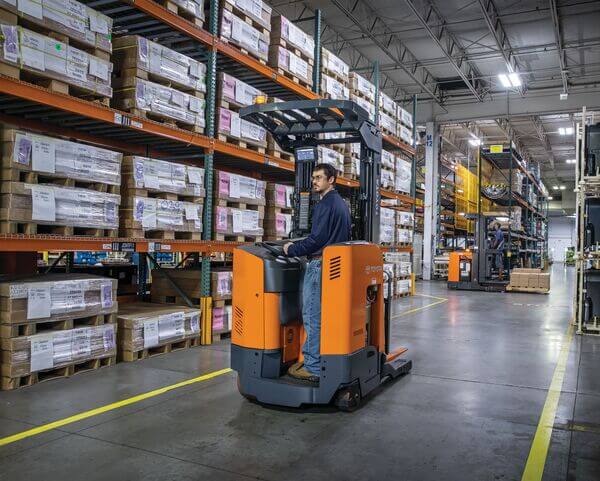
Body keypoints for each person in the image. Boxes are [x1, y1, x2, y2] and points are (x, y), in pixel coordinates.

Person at [283, 163, 352, 382]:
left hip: (318, 265)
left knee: (312, 316)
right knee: (323, 316)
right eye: (313, 177)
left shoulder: (325, 205)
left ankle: (312, 366)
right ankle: (319, 359)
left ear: (331, 180)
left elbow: (317, 239)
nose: (314, 181)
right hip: (333, 265)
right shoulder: (341, 204)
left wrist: (292, 249)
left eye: (319, 177)